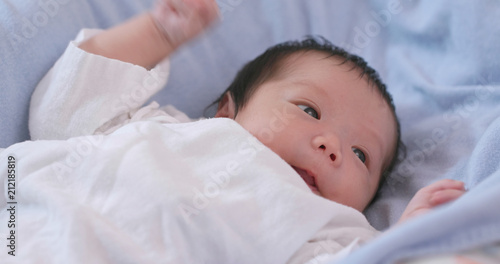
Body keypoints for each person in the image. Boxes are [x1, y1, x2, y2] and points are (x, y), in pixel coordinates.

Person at [29, 0, 466, 261]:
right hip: (28, 221)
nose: (332, 146)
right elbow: (62, 114)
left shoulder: (331, 231)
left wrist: (409, 239)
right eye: (309, 109)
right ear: (226, 112)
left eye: (361, 155)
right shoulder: (162, 129)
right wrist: (157, 31)